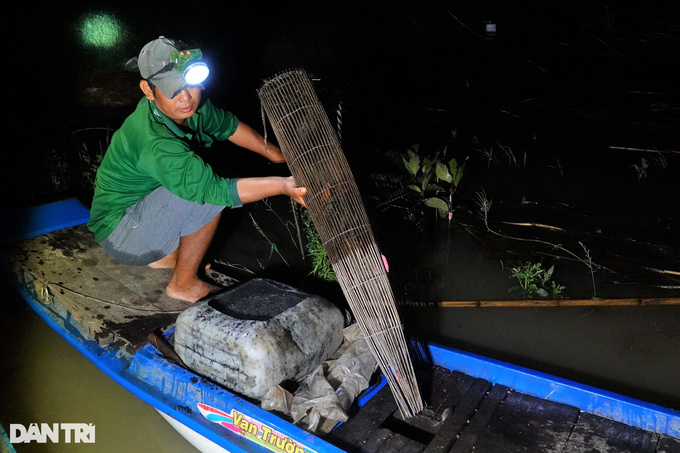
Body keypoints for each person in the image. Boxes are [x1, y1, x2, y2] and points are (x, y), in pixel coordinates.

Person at [87, 36, 306, 303]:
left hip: (141, 213)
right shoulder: (153, 141)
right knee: (206, 198)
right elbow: (214, 191)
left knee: (200, 183)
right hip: (120, 232)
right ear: (148, 89)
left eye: (191, 85)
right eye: (173, 89)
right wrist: (283, 186)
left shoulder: (192, 108)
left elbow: (229, 126)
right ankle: (183, 284)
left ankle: (164, 256)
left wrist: (283, 159)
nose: (186, 98)